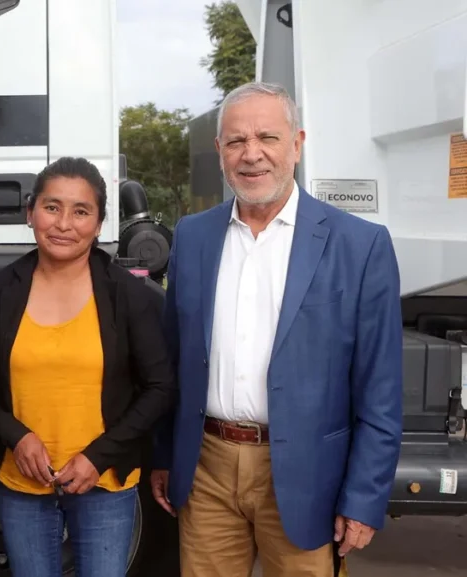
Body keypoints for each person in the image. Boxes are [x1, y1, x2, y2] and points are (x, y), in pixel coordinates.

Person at [151, 81, 403, 577]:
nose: (252, 154)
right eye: (236, 141)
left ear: (297, 144)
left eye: (267, 137)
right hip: (206, 468)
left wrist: (364, 497)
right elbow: (174, 358)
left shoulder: (360, 245)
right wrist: (165, 453)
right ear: (220, 150)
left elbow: (380, 389)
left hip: (308, 475)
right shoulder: (193, 236)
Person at [0, 157, 178, 577]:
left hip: (104, 482)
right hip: (21, 483)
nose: (64, 224)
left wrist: (97, 457)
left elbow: (160, 387)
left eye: (81, 211)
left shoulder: (127, 296)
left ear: (99, 224)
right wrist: (16, 436)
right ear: (30, 213)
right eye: (52, 207)